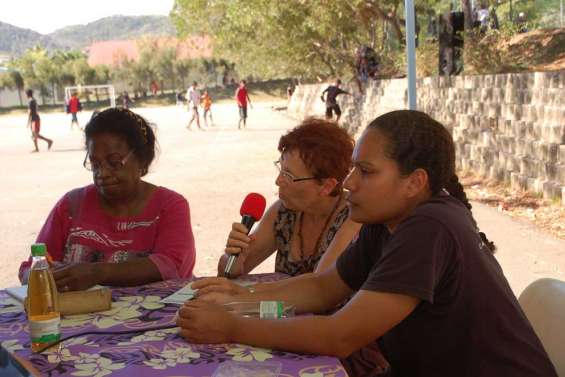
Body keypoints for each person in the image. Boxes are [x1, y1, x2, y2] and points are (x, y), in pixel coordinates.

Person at [178, 110, 558, 377]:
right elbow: (323, 288)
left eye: (366, 172)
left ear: (414, 182)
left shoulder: (430, 227)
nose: (349, 183)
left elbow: (340, 335)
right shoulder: (387, 219)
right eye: (353, 169)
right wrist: (235, 298)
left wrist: (230, 326)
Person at [18, 108, 196, 291]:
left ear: (142, 159)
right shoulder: (71, 206)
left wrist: (99, 273)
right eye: (95, 164)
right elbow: (32, 266)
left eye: (114, 162)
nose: (102, 174)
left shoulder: (169, 206)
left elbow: (172, 264)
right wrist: (41, 275)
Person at [202, 118, 359, 289]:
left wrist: (251, 295)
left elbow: (319, 287)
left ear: (327, 186)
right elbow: (227, 274)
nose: (278, 181)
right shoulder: (283, 213)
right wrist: (233, 258)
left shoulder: (354, 215)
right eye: (280, 169)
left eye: (289, 176)